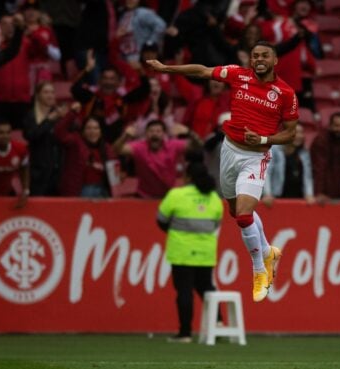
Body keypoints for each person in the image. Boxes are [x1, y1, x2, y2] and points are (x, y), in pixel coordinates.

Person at [147, 41, 299, 302]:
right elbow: (202, 71)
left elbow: (290, 134)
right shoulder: (239, 75)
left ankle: (260, 270)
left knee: (243, 215)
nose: (259, 59)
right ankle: (267, 251)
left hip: (256, 157)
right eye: (255, 56)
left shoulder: (285, 93)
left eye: (265, 56)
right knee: (235, 212)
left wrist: (263, 141)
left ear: (275, 61)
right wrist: (166, 69)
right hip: (228, 152)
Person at [157, 161, 224, 343]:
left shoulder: (177, 195)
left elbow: (161, 220)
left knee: (184, 291)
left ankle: (185, 333)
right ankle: (217, 323)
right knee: (206, 288)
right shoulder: (214, 198)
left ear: (187, 177)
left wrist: (174, 230)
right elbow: (216, 223)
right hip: (206, 252)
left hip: (182, 251)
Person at [113, 119, 202, 199]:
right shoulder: (139, 147)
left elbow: (198, 146)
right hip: (144, 197)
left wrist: (189, 132)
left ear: (164, 134)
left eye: (158, 131)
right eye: (151, 131)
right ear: (146, 134)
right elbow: (117, 150)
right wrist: (125, 136)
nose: (154, 134)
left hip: (168, 196)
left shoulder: (174, 145)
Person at [54, 103, 114, 198]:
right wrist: (72, 113)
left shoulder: (106, 147)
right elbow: (59, 133)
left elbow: (114, 172)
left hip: (103, 190)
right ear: (83, 131)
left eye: (96, 128)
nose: (92, 132)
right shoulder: (76, 141)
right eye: (88, 128)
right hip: (80, 190)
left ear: (100, 131)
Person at [22, 81, 63, 196]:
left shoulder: (60, 116)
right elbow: (31, 135)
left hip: (58, 171)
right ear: (38, 95)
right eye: (46, 92)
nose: (50, 95)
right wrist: (49, 120)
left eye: (52, 92)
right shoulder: (30, 115)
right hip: (38, 173)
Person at [263, 123, 315, 205]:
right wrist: (267, 193)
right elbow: (267, 172)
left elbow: (307, 176)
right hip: (277, 198)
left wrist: (309, 194)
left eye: (301, 133)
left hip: (299, 198)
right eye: (296, 132)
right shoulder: (274, 150)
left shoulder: (304, 153)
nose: (299, 136)